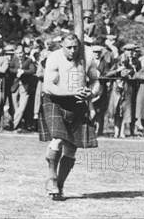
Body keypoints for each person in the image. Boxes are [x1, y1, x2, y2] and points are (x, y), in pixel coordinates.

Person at [39, 33, 100, 200]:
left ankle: (59, 185)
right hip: (55, 100)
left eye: (75, 47)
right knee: (57, 139)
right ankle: (51, 177)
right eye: (69, 48)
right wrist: (72, 92)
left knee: (72, 148)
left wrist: (91, 94)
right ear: (62, 46)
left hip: (77, 103)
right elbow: (49, 86)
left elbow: (95, 80)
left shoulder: (87, 55)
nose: (73, 51)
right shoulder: (54, 57)